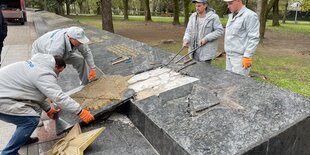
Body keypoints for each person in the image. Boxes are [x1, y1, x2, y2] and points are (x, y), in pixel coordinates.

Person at [0, 53, 95, 155]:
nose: (58, 75)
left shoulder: (39, 63)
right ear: (55, 66)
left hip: (6, 92)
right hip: (3, 99)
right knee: (30, 121)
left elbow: (36, 92)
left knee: (30, 112)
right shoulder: (42, 73)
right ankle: (8, 152)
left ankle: (23, 138)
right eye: (59, 71)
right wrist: (80, 111)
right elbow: (59, 97)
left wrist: (48, 109)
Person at [32, 26, 97, 85]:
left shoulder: (77, 38)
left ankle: (84, 84)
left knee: (80, 61)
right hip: (41, 51)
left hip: (63, 52)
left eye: (82, 40)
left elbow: (87, 52)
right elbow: (52, 67)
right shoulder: (56, 48)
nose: (81, 43)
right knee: (46, 73)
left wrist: (92, 68)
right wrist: (52, 90)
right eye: (79, 41)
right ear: (70, 38)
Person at [224, 0, 260, 76]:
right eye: (227, 3)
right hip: (229, 56)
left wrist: (247, 56)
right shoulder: (231, 16)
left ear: (238, 1)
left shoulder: (250, 15)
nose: (228, 6)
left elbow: (254, 38)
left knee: (238, 85)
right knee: (229, 83)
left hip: (240, 58)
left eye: (230, 3)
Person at [183, 0, 223, 64]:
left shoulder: (213, 17)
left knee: (204, 73)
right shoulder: (192, 17)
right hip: (193, 52)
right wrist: (186, 39)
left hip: (206, 54)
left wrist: (206, 38)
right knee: (193, 71)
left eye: (199, 6)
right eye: (196, 6)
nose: (197, 8)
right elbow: (188, 30)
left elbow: (219, 31)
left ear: (205, 5)